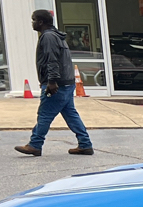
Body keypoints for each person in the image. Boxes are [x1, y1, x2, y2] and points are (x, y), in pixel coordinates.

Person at [15, 10, 93, 157]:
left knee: (44, 114)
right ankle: (85, 144)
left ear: (40, 22)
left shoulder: (48, 37)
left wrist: (51, 81)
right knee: (71, 114)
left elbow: (52, 60)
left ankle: (35, 145)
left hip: (58, 84)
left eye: (33, 20)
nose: (32, 23)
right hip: (67, 83)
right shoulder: (57, 36)